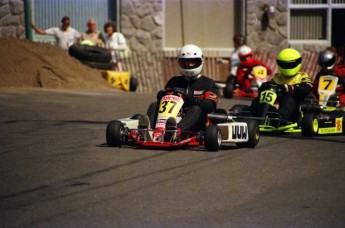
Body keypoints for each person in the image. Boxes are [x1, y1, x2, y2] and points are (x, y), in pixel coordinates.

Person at [139, 44, 219, 141]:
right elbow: (164, 101)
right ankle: (150, 131)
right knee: (154, 105)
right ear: (180, 62)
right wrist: (161, 95)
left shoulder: (208, 83)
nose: (189, 65)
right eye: (186, 62)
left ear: (200, 62)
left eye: (192, 62)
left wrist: (193, 100)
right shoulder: (174, 81)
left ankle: (175, 132)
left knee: (196, 109)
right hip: (172, 117)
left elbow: (210, 105)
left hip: (197, 122)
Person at [251, 48, 312, 122]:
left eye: (291, 64)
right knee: (259, 99)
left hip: (295, 107)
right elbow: (270, 87)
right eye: (284, 64)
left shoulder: (302, 76)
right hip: (280, 102)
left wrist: (292, 88)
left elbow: (307, 88)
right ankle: (257, 115)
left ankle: (280, 119)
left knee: (290, 98)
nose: (288, 67)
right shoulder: (277, 77)